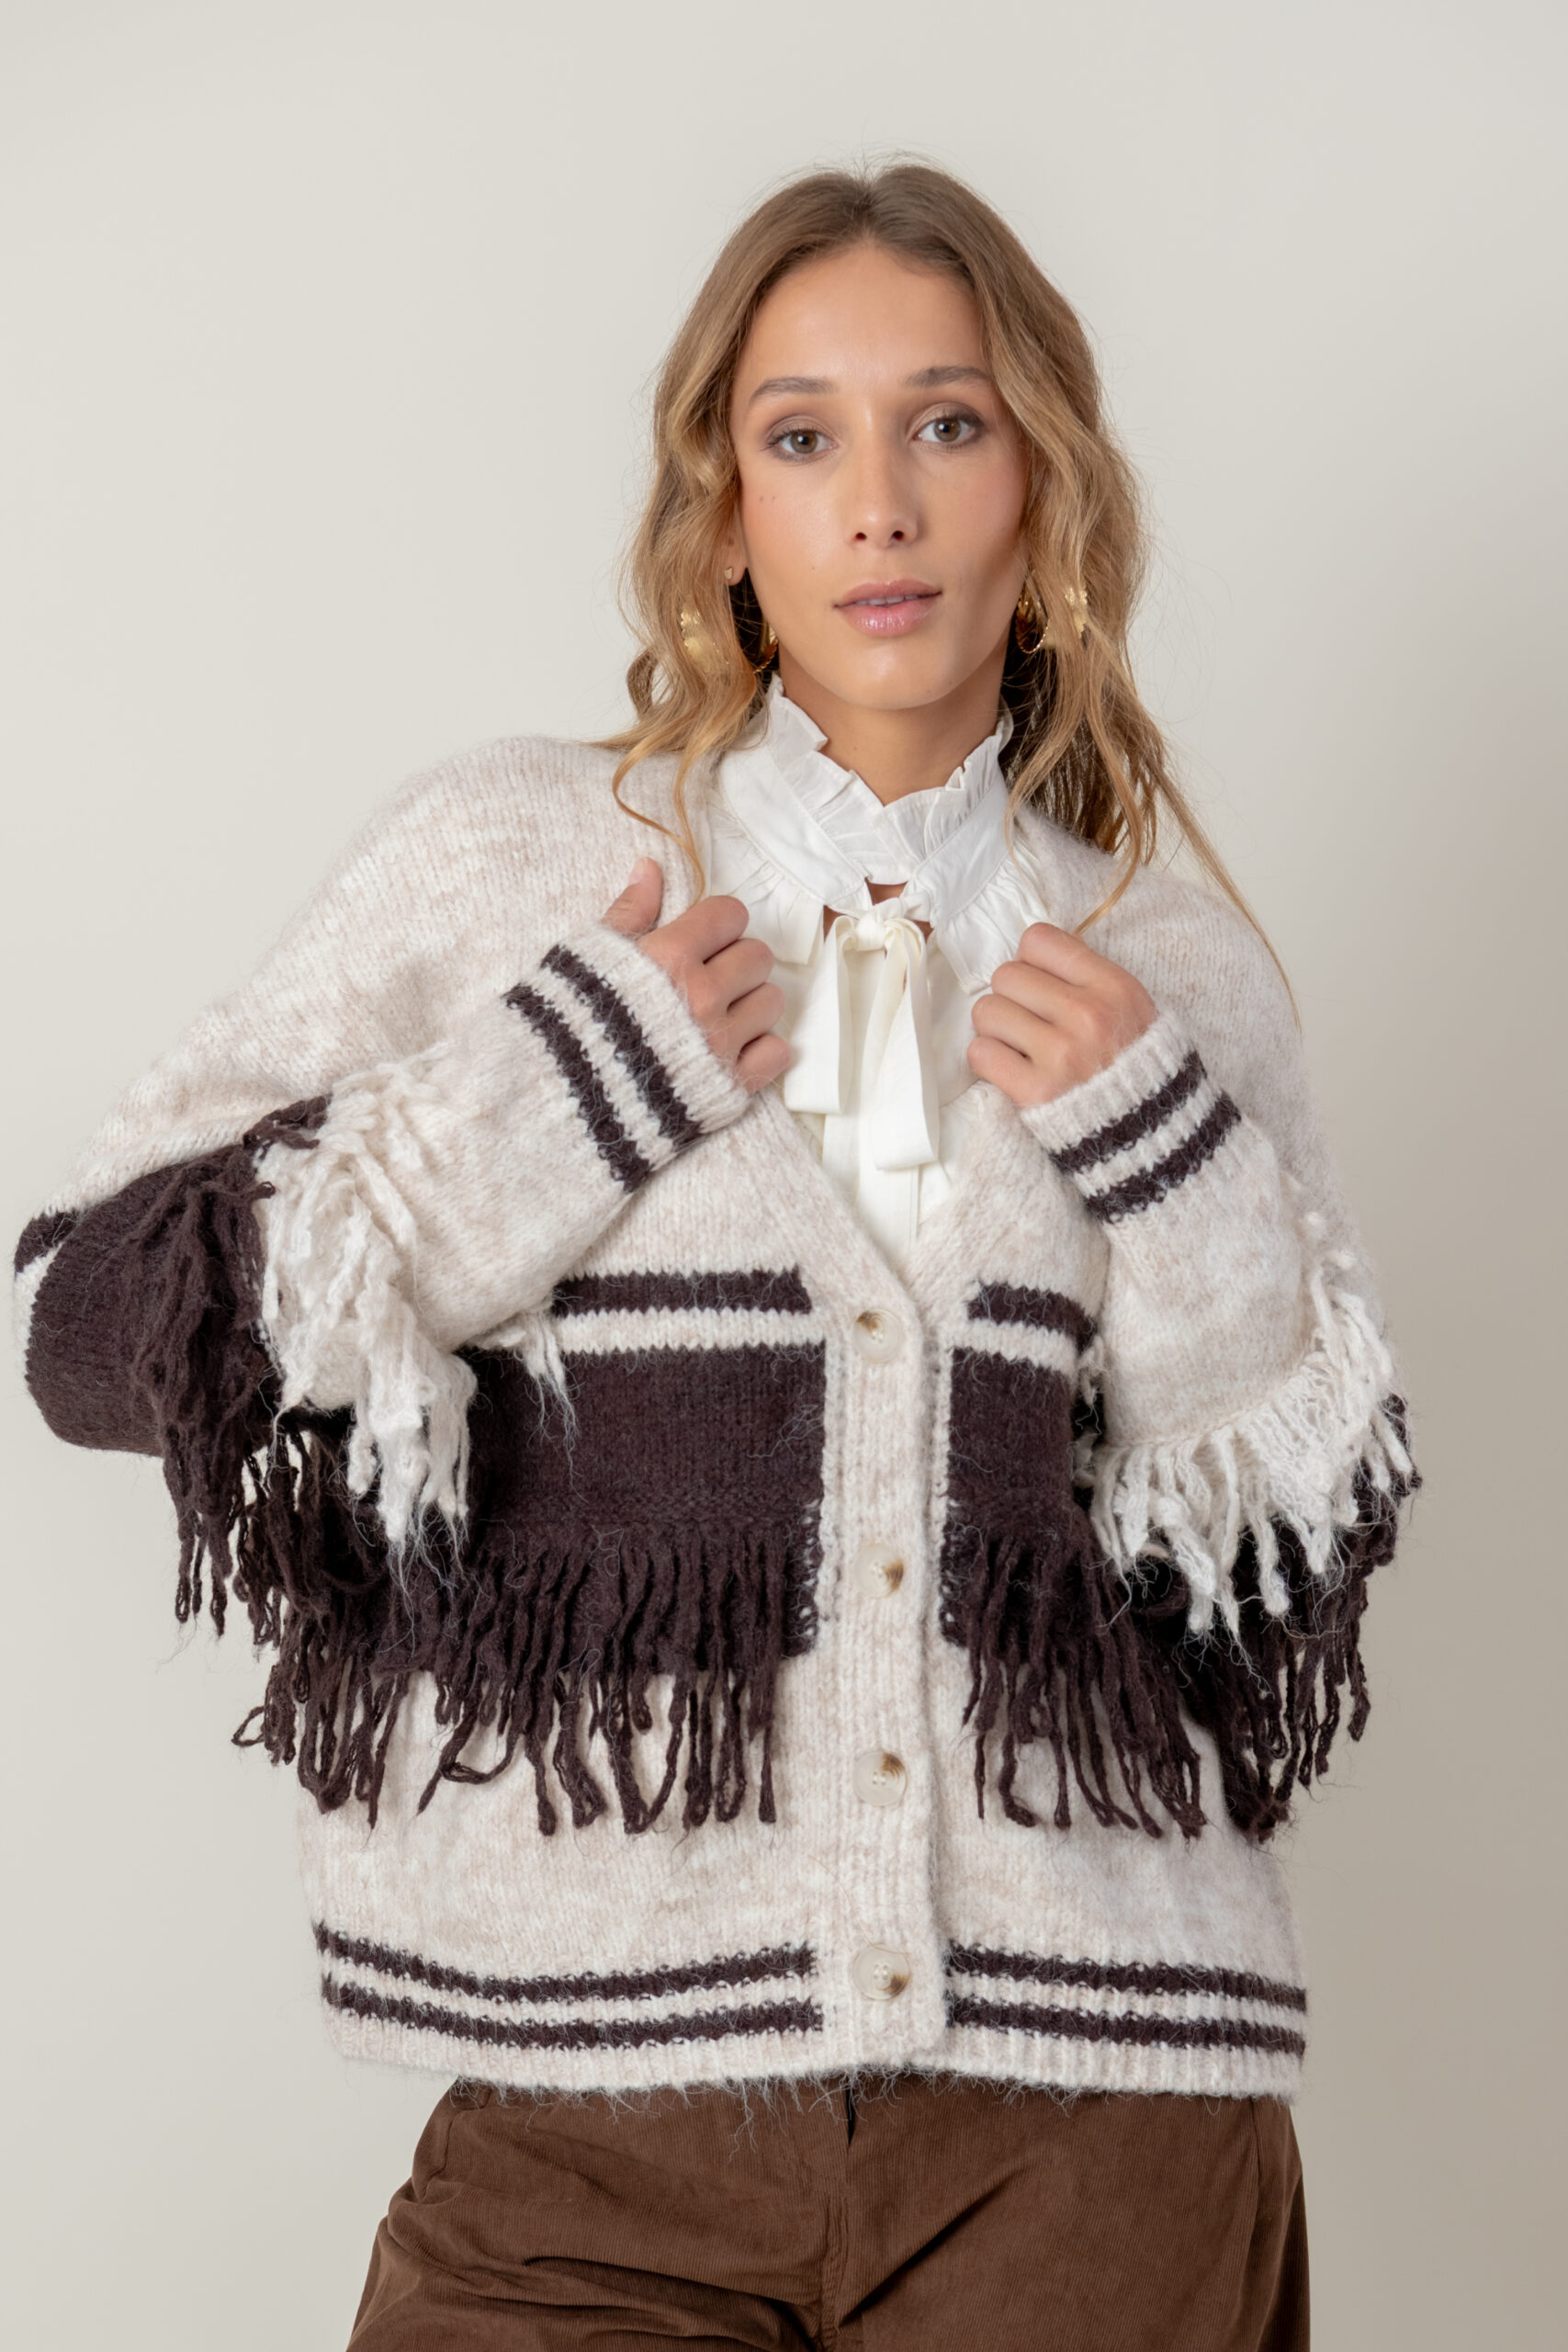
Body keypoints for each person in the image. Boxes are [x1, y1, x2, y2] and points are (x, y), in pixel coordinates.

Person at [14, 162, 1416, 2350]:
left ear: (1040, 488)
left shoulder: (1174, 963)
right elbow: (96, 1332)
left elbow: (1256, 1602)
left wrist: (1174, 1164)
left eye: (945, 423)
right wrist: (543, 1101)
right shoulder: (508, 861)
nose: (879, 502)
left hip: (1101, 2116)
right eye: (801, 434)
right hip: (585, 2127)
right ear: (725, 510)